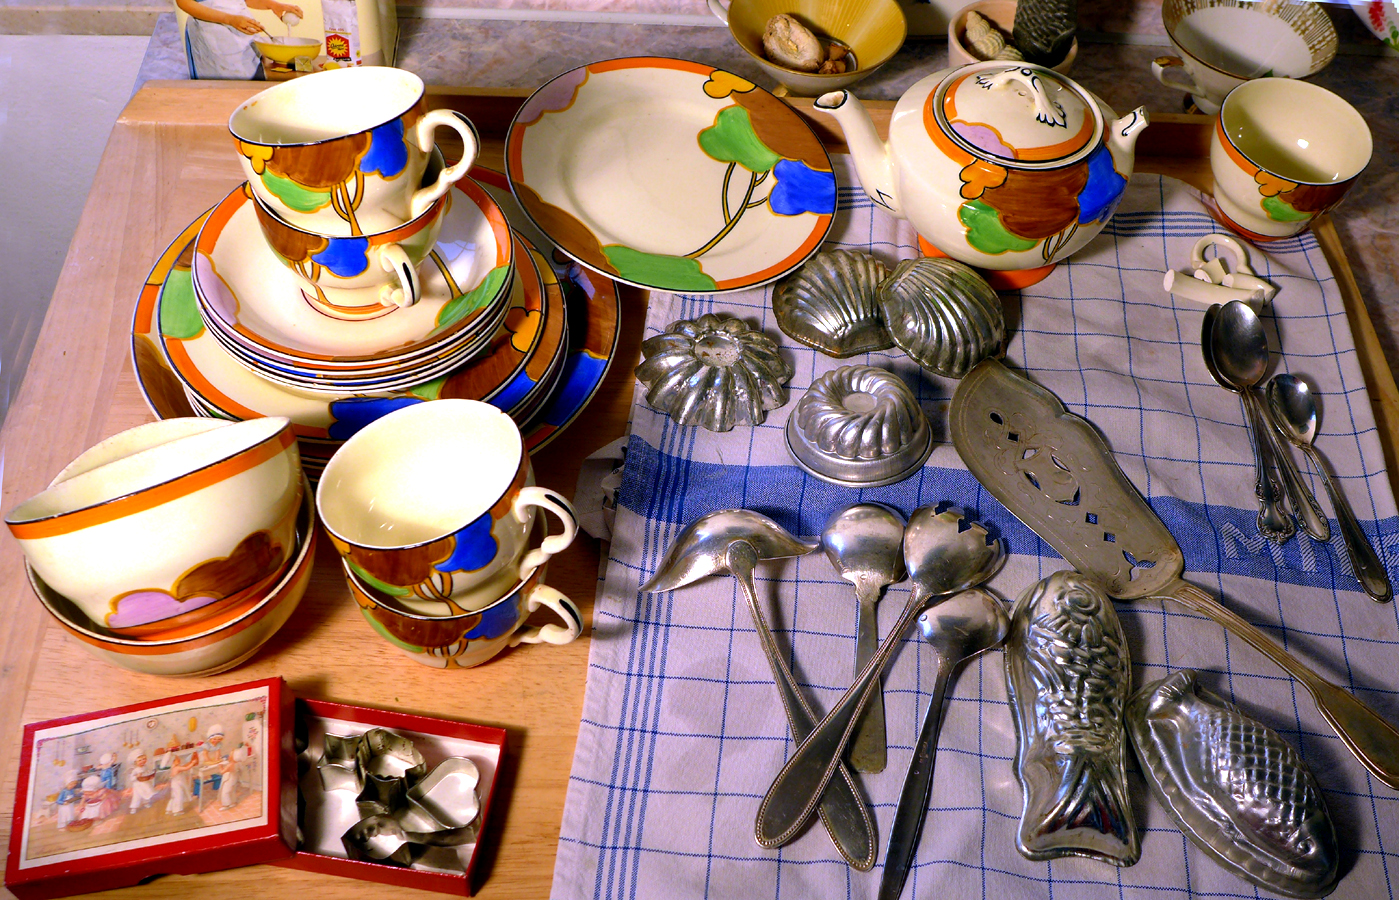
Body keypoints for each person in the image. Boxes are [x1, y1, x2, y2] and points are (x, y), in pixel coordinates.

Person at [176, 0, 304, 79]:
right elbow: (184, 2)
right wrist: (229, 19)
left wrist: (273, 5)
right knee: (223, 94)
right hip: (212, 32)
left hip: (242, 27)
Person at [162, 738, 197, 816]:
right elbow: (186, 768)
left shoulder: (174, 767)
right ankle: (177, 811)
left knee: (174, 797)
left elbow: (184, 766)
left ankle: (169, 809)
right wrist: (192, 763)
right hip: (178, 784)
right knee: (179, 796)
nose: (179, 760)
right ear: (174, 762)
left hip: (175, 784)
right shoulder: (177, 768)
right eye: (178, 760)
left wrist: (190, 762)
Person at [126, 748, 157, 814]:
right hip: (138, 785)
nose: (142, 761)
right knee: (137, 796)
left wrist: (150, 775)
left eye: (144, 759)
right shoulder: (135, 770)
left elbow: (148, 772)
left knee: (147, 793)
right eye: (140, 760)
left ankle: (146, 803)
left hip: (145, 783)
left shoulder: (145, 767)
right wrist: (137, 776)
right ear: (135, 762)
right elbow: (131, 778)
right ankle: (134, 808)